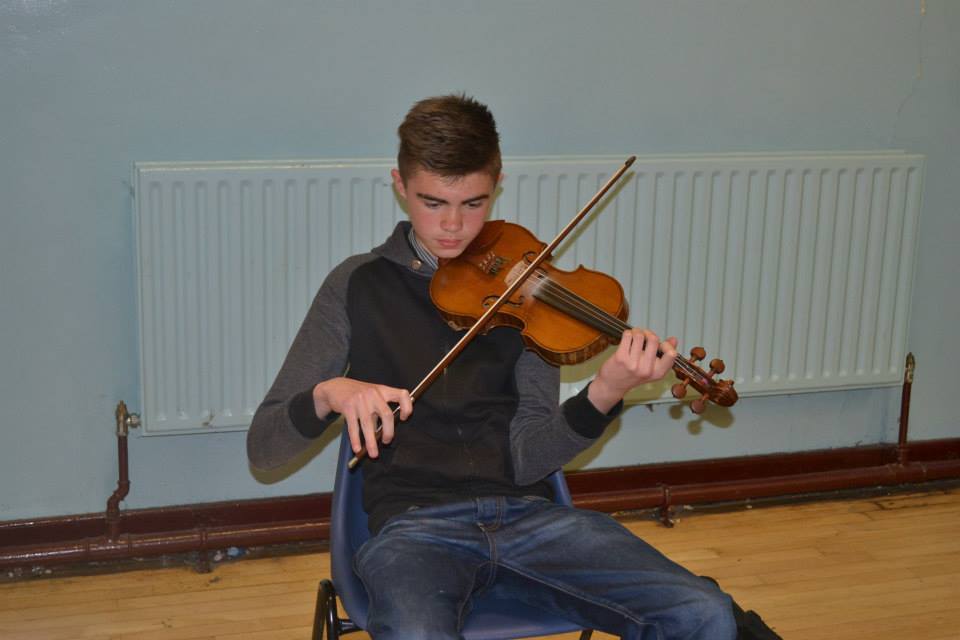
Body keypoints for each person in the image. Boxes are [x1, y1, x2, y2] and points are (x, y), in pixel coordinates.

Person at [247, 94, 736, 639]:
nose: (453, 226)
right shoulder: (356, 285)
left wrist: (604, 392)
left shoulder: (526, 292)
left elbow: (527, 460)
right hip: (414, 531)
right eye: (433, 202)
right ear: (400, 184)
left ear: (498, 184)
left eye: (474, 203)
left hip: (533, 521)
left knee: (703, 612)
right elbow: (264, 450)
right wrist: (329, 393)